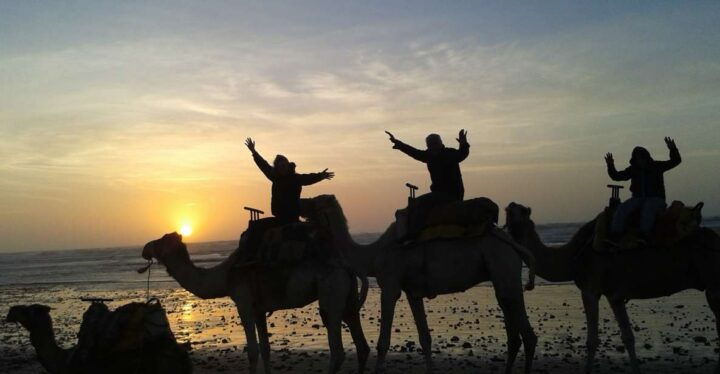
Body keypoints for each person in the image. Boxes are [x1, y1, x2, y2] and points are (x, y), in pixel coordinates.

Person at [242, 138, 334, 259]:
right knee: (254, 226)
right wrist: (254, 151)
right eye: (280, 166)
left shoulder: (295, 179)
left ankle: (250, 255)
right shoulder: (274, 177)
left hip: (290, 218)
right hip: (279, 217)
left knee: (257, 227)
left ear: (288, 165)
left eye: (284, 165)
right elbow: (263, 165)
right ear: (277, 168)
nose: (283, 168)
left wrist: (320, 175)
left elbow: (308, 178)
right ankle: (250, 255)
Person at [385, 130, 470, 239]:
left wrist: (463, 144)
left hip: (451, 194)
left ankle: (414, 235)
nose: (433, 147)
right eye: (430, 145)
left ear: (440, 143)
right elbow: (414, 152)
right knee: (416, 204)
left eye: (435, 143)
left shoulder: (449, 154)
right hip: (438, 194)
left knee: (420, 203)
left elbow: (462, 154)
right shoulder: (429, 156)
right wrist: (398, 143)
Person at [605, 137, 681, 237]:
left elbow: (675, 161)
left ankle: (643, 235)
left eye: (642, 158)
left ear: (646, 157)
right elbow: (617, 176)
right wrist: (610, 165)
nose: (640, 160)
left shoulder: (656, 166)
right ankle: (615, 235)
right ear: (634, 159)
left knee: (648, 208)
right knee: (622, 208)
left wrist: (672, 149)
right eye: (637, 158)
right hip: (637, 198)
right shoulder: (633, 170)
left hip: (656, 198)